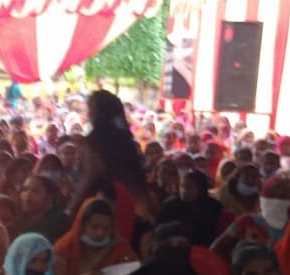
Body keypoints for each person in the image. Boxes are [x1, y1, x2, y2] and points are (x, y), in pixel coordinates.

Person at [68, 91, 148, 241]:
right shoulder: (127, 141)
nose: (88, 114)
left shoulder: (93, 143)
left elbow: (89, 178)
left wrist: (71, 210)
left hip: (101, 210)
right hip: (131, 207)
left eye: (91, 109)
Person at [158, 170, 229, 247]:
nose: (184, 191)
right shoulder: (170, 205)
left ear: (201, 189)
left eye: (189, 187)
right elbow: (159, 230)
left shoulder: (213, 206)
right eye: (182, 186)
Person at [17, 175, 69, 243]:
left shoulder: (60, 224)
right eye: (25, 189)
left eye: (35, 191)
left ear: (49, 197)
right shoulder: (16, 219)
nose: (27, 195)